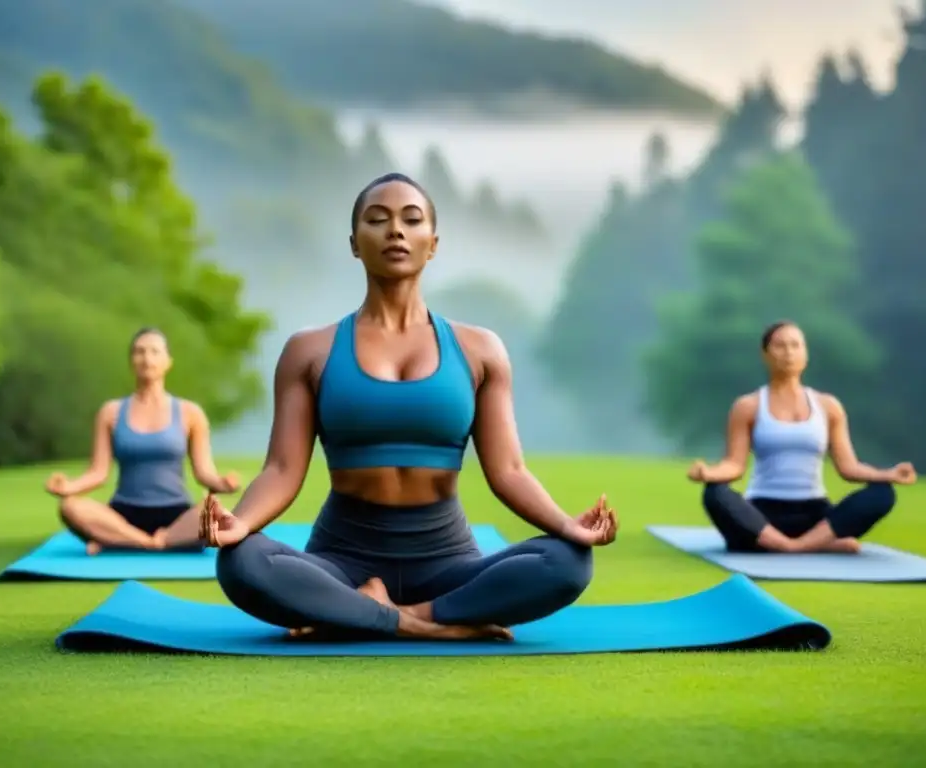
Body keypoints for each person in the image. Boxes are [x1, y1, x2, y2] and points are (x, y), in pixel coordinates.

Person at [201, 172, 618, 643]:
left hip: (447, 562)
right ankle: (429, 625)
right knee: (242, 561)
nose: (395, 231)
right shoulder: (309, 351)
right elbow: (281, 469)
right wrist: (242, 522)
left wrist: (567, 525)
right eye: (377, 220)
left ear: (432, 243)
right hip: (341, 560)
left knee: (568, 561)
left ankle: (372, 614)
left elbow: (510, 471)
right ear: (356, 243)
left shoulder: (480, 349)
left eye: (411, 220)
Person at [687, 320, 916, 554]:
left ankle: (794, 544)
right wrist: (708, 473)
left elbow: (849, 467)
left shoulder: (828, 406)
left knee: (882, 493)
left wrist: (888, 474)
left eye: (796, 346)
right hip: (763, 516)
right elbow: (734, 465)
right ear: (765, 354)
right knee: (715, 493)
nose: (788, 353)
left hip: (816, 517)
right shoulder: (748, 406)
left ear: (805, 354)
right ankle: (804, 545)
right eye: (780, 346)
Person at [45, 327, 240, 554]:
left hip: (175, 513)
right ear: (131, 361)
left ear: (168, 361)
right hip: (123, 515)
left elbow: (204, 472)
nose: (147, 359)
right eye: (139, 352)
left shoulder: (190, 412)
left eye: (155, 352)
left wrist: (222, 483)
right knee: (70, 506)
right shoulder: (111, 412)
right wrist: (68, 487)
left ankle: (122, 540)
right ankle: (154, 542)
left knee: (216, 509)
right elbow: (98, 472)